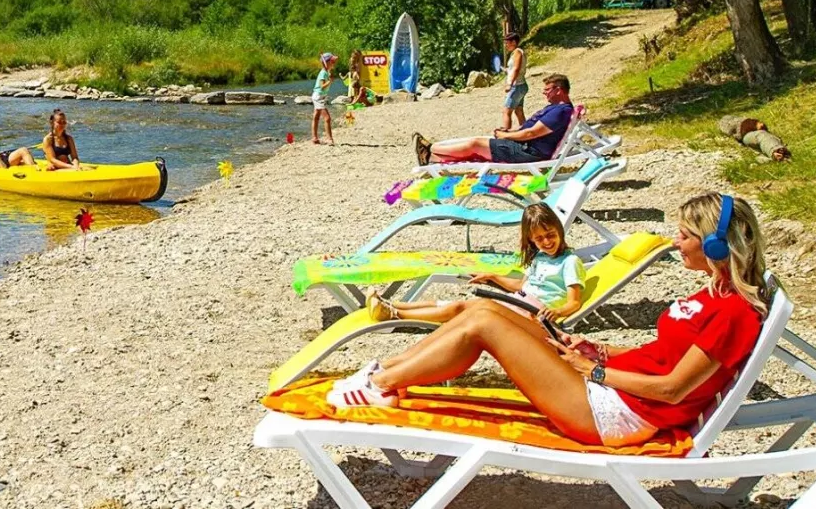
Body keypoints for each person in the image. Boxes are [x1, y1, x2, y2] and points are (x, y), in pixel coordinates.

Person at [327, 192, 769, 449]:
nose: (676, 243)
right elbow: (660, 356)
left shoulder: (732, 313)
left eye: (686, 236)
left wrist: (595, 371)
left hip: (616, 415)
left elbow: (674, 387)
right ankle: (386, 374)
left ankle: (380, 386)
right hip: (610, 392)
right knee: (483, 308)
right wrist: (599, 350)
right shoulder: (713, 295)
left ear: (715, 245)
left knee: (486, 324)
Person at [366, 203, 583, 325]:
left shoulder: (570, 262)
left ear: (559, 231)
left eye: (550, 235)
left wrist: (558, 311)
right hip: (519, 301)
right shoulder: (540, 257)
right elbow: (522, 286)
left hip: (531, 313)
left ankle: (394, 315)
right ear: (531, 240)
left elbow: (574, 302)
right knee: (452, 303)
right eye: (539, 239)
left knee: (462, 308)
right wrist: (492, 277)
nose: (546, 242)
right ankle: (392, 305)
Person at [416, 73, 574, 166]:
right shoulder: (558, 109)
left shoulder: (560, 111)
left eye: (547, 90)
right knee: (479, 141)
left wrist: (506, 136)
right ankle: (432, 157)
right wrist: (510, 132)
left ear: (558, 90)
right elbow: (530, 132)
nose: (543, 93)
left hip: (528, 153)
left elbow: (530, 134)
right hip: (525, 147)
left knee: (475, 145)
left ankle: (429, 150)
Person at [499, 32, 528, 132]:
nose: (506, 45)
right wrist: (506, 69)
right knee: (519, 111)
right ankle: (526, 133)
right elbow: (514, 69)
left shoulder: (517, 52)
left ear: (514, 42)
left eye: (507, 43)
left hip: (517, 86)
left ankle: (505, 137)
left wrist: (509, 84)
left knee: (506, 111)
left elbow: (516, 69)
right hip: (521, 85)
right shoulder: (516, 53)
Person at [311, 52, 337, 145]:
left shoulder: (326, 72)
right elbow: (322, 86)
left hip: (318, 96)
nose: (334, 63)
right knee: (327, 118)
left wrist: (329, 79)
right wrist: (330, 81)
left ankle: (314, 138)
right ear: (327, 62)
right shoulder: (323, 73)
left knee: (316, 117)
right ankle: (329, 139)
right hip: (318, 97)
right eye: (332, 62)